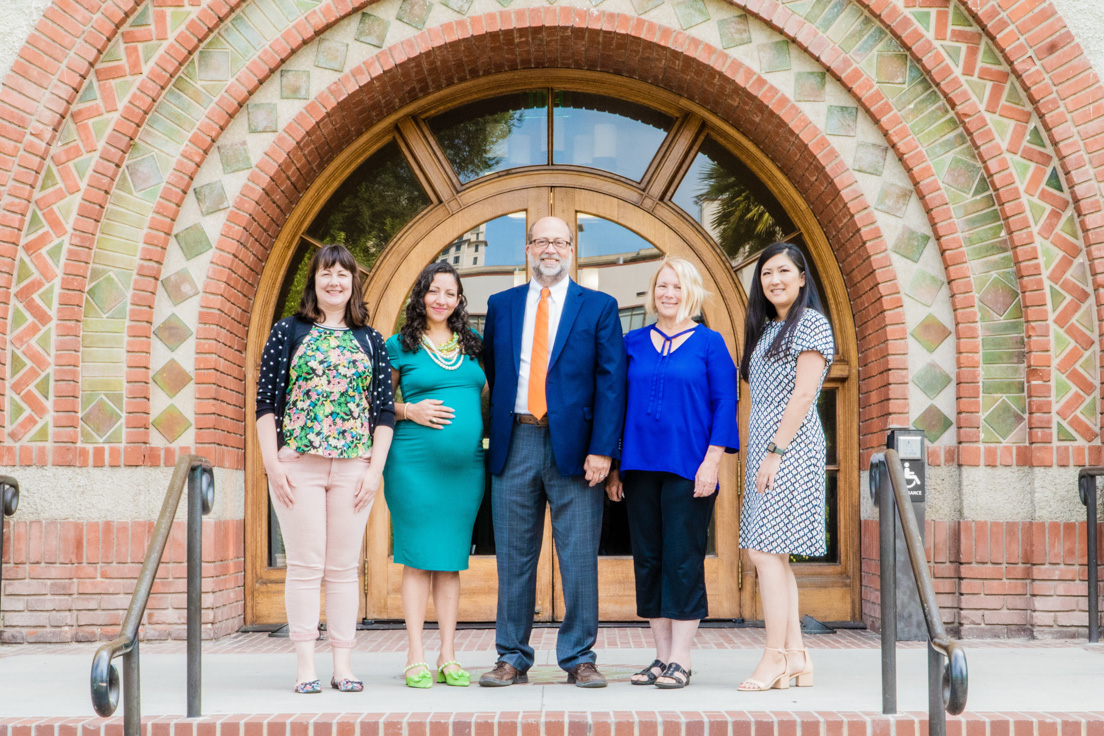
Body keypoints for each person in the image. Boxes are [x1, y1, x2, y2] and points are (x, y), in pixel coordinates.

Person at [478, 216, 627, 688]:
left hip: (578, 450)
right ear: (527, 249)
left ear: (571, 250)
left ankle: (579, 656)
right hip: (515, 440)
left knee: (579, 557)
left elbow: (612, 382)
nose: (550, 249)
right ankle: (512, 657)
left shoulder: (599, 306)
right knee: (514, 559)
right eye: (541, 240)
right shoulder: (501, 305)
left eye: (559, 241)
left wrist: (604, 450)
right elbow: (493, 372)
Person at [256, 243, 395, 694]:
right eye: (325, 274)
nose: (334, 281)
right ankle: (304, 666)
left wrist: (374, 470)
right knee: (304, 565)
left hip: (354, 468)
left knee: (342, 568)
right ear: (313, 283)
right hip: (300, 467)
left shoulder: (369, 339)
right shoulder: (288, 331)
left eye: (342, 274)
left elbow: (384, 412)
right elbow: (265, 404)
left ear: (353, 282)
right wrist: (272, 464)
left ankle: (343, 665)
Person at [605, 257, 739, 689]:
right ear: (652, 291)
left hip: (689, 469)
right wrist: (614, 467)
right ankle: (661, 658)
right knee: (649, 561)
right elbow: (616, 406)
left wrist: (712, 461)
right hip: (639, 467)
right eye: (662, 285)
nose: (669, 293)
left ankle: (682, 658)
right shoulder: (633, 342)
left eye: (677, 287)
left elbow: (725, 404)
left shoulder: (710, 343)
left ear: (691, 293)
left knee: (682, 561)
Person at [736, 243, 835, 692]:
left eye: (783, 271)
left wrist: (775, 450)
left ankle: (774, 656)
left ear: (801, 278)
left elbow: (803, 394)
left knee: (763, 552)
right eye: (766, 273)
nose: (773, 280)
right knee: (773, 555)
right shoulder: (767, 328)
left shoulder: (811, 323)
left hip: (791, 448)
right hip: (768, 449)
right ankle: (798, 657)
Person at [383, 262, 485, 688]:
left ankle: (448, 655)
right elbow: (374, 404)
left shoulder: (473, 343)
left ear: (459, 300)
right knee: (418, 561)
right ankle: (415, 655)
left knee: (450, 562)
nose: (442, 299)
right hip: (413, 465)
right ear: (420, 294)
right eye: (434, 291)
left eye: (450, 293)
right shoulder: (397, 345)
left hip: (465, 471)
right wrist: (409, 409)